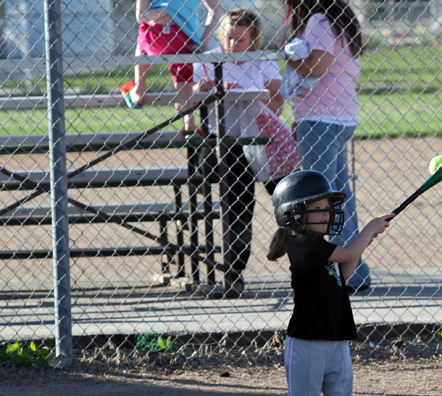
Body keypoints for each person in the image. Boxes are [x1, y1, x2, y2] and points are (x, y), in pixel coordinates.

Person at [266, 170, 392, 396]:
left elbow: (341, 276)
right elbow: (348, 253)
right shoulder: (303, 244)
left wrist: (366, 240)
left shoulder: (321, 247)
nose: (327, 214)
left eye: (327, 208)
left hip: (336, 341)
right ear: (294, 213)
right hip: (306, 343)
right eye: (318, 208)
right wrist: (368, 230)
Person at [192, 8, 299, 297]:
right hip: (226, 144)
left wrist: (248, 92)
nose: (232, 45)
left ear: (253, 41)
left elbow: (277, 103)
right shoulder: (210, 60)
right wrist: (203, 90)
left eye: (240, 40)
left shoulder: (260, 60)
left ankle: (303, 260)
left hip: (263, 141)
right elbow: (186, 103)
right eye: (229, 38)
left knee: (288, 198)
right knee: (238, 208)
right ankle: (234, 272)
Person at [279, 0, 370, 294]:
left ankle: (327, 270)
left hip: (321, 119)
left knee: (318, 202)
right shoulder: (337, 19)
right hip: (337, 117)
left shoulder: (319, 20)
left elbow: (317, 67)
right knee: (337, 195)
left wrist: (287, 55)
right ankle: (354, 272)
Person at [121, 0, 222, 136]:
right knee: (184, 71)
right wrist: (203, 43)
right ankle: (189, 122)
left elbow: (141, 16)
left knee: (142, 40)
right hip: (183, 37)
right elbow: (217, 9)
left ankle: (139, 89)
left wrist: (167, 10)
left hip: (154, 36)